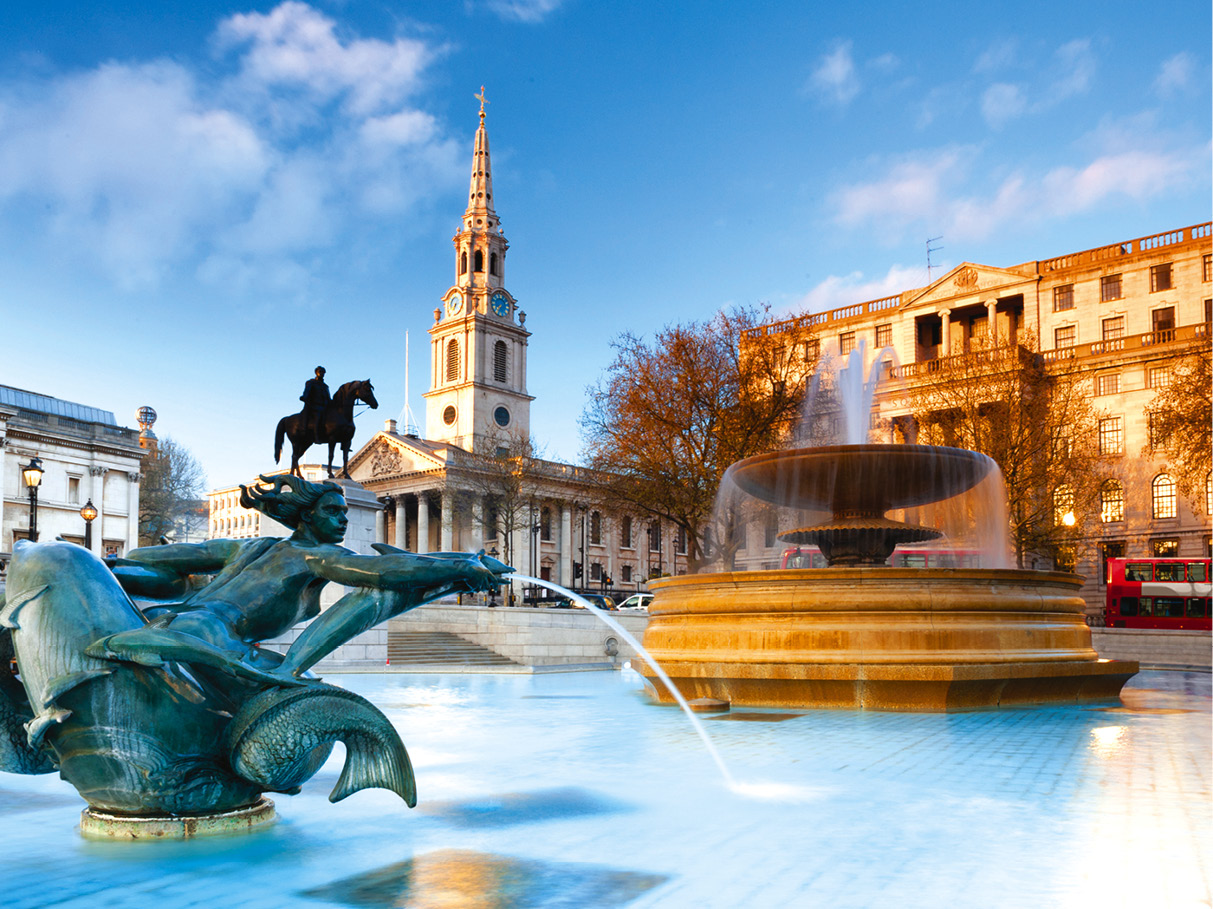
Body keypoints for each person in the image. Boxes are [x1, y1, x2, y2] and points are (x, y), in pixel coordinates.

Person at [88, 474, 507, 685]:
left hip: (172, 619)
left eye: (345, 512)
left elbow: (148, 557)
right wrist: (460, 568)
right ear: (307, 515)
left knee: (146, 579)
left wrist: (464, 562)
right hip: (207, 637)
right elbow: (384, 571)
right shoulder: (315, 557)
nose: (344, 519)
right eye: (333, 512)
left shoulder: (250, 548)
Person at [300, 366, 331, 443]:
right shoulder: (311, 382)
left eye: (323, 372)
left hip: (324, 407)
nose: (322, 374)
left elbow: (328, 398)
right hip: (314, 406)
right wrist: (304, 397)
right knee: (318, 416)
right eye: (320, 372)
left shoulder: (325, 386)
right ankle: (316, 436)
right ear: (316, 373)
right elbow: (306, 392)